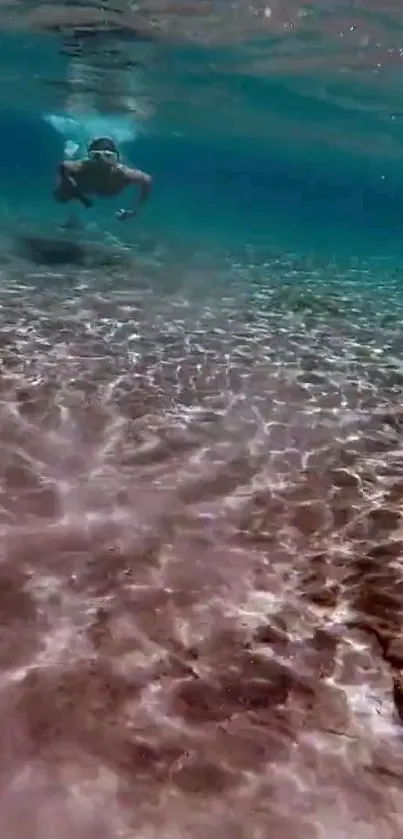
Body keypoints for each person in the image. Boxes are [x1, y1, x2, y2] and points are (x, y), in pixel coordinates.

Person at [53, 136, 152, 222]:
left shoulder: (122, 172)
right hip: (87, 188)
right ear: (90, 157)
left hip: (104, 189)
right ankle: (71, 151)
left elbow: (147, 180)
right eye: (96, 156)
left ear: (116, 158)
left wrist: (133, 211)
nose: (102, 162)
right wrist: (75, 192)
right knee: (60, 196)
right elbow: (63, 166)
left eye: (108, 156)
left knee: (62, 194)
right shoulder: (82, 166)